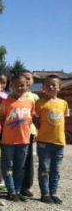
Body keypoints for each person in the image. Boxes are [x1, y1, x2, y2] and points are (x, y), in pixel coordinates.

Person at [0, 74, 35, 202]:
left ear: (27, 86)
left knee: (20, 167)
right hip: (8, 140)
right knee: (8, 166)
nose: (19, 88)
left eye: (22, 85)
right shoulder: (6, 102)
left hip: (24, 140)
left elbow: (31, 119)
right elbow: (2, 119)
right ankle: (11, 191)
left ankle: (18, 190)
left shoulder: (30, 102)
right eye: (16, 85)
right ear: (11, 86)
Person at [34, 75, 69, 204]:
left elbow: (63, 121)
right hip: (44, 142)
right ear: (43, 86)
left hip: (59, 142)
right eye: (48, 84)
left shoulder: (63, 103)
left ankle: (53, 192)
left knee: (56, 170)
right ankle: (45, 193)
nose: (50, 86)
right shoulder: (40, 103)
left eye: (54, 84)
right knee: (44, 169)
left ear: (59, 87)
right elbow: (36, 121)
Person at [18, 69, 39, 198]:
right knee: (17, 160)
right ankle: (15, 185)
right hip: (15, 132)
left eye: (28, 78)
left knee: (28, 160)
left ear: (32, 81)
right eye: (23, 78)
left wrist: (36, 131)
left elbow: (36, 117)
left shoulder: (34, 97)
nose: (26, 81)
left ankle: (25, 186)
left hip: (29, 132)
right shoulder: (13, 95)